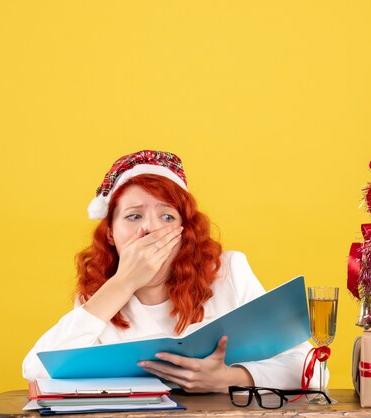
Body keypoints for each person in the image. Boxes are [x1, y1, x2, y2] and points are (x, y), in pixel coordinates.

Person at [22, 150, 324, 393]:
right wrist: (124, 282)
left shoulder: (228, 272)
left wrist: (232, 377)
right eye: (133, 216)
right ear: (111, 233)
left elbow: (315, 369)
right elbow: (36, 369)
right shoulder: (101, 295)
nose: (149, 228)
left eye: (166, 216)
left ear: (184, 230)